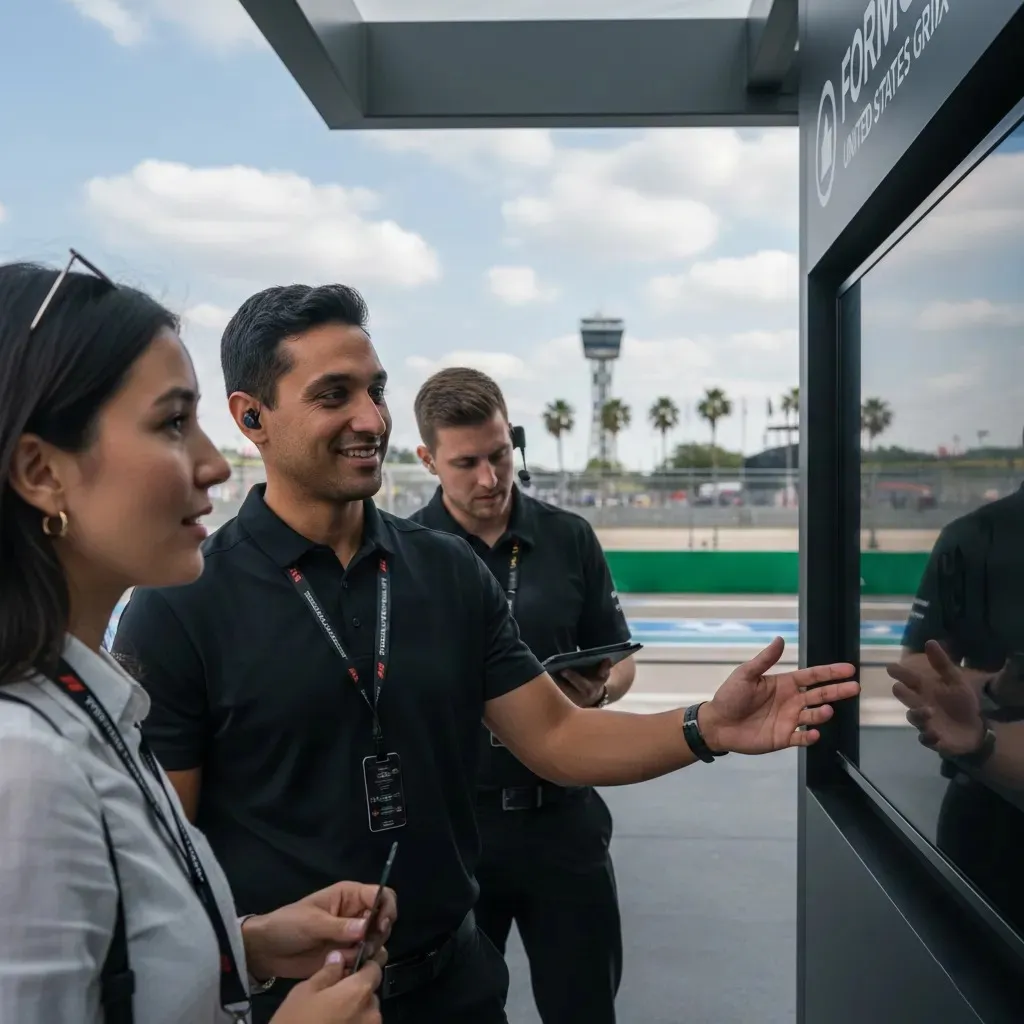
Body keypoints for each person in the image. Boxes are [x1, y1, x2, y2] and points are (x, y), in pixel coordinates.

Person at [111, 281, 860, 1024]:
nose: (371, 419)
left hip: (459, 990)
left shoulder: (445, 570)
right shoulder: (183, 600)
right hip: (297, 1006)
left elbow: (557, 735)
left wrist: (705, 727)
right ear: (252, 417)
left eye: (376, 390)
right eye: (333, 395)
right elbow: (162, 859)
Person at [0, 255, 395, 1024]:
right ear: (41, 470)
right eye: (173, 422)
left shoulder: (88, 705)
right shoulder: (27, 769)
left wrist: (242, 943)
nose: (214, 463)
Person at [407, 367, 632, 1024]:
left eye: (500, 454)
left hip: (562, 818)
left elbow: (618, 660)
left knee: (585, 1008)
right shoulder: (404, 553)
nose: (489, 477)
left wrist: (600, 690)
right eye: (466, 461)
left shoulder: (570, 538)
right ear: (428, 460)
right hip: (455, 831)